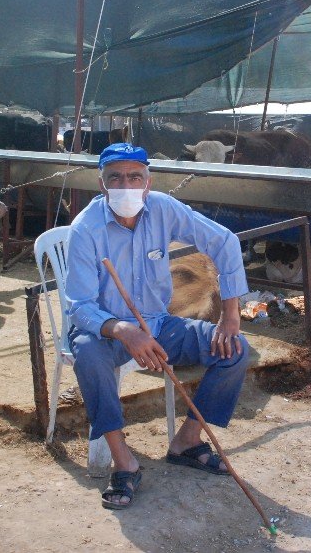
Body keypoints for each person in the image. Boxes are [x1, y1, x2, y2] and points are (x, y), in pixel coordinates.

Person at [64, 142, 250, 510]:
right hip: (104, 332)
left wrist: (231, 315)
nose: (126, 186)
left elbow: (225, 242)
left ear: (148, 183)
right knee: (87, 354)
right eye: (115, 178)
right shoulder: (85, 228)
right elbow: (79, 306)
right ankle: (124, 463)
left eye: (135, 177)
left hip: (158, 323)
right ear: (102, 185)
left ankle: (186, 441)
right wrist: (123, 330)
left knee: (235, 350)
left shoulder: (163, 208)